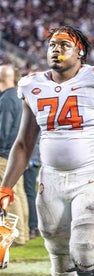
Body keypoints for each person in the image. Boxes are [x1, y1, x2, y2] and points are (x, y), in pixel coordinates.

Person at [0, 25, 94, 276]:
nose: (55, 49)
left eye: (63, 45)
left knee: (85, 252)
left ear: (80, 52)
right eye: (51, 45)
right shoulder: (32, 85)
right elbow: (23, 143)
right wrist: (6, 188)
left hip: (91, 176)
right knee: (59, 259)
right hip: (51, 180)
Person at [0, 64, 30, 246]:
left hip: (4, 155)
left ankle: (17, 236)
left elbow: (2, 133)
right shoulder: (18, 96)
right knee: (18, 194)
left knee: (9, 195)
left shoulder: (6, 99)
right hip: (17, 153)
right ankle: (23, 233)